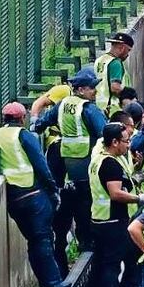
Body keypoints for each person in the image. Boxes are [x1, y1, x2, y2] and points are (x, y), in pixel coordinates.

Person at [0, 103, 75, 287]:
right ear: (22, 118)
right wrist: (53, 190)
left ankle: (49, 284)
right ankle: (53, 285)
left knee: (35, 241)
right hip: (32, 194)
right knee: (43, 240)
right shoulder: (24, 135)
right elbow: (40, 164)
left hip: (13, 198)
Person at [35, 67, 107, 273]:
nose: (95, 91)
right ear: (81, 89)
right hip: (87, 170)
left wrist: (36, 128)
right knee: (85, 213)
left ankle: (61, 264)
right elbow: (105, 134)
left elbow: (41, 123)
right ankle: (87, 249)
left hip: (67, 171)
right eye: (92, 88)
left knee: (62, 221)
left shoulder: (62, 105)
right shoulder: (89, 109)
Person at [88, 122, 144, 287]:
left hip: (99, 219)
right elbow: (115, 193)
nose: (128, 144)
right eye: (126, 141)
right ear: (114, 142)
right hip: (113, 221)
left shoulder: (98, 159)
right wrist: (139, 198)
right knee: (111, 268)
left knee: (100, 266)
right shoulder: (110, 164)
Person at [93, 32, 134, 115]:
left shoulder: (100, 60)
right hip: (112, 109)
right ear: (122, 47)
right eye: (128, 50)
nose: (128, 54)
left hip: (98, 107)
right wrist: (130, 95)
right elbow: (115, 88)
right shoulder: (116, 63)